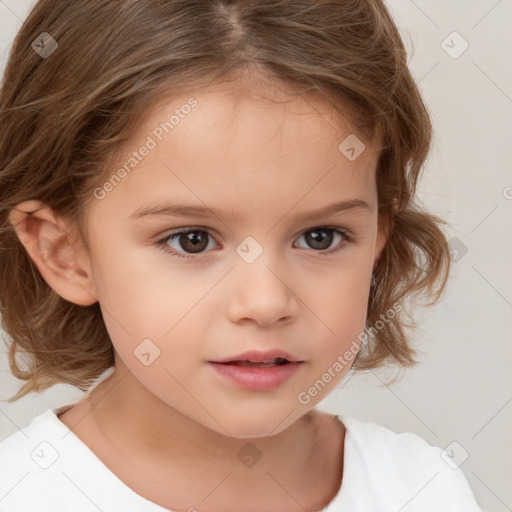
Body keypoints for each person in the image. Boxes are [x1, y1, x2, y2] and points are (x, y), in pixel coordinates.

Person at [0, 1, 484, 511]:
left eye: (321, 237)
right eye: (192, 240)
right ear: (64, 254)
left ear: (378, 240)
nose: (266, 301)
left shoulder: (423, 490)